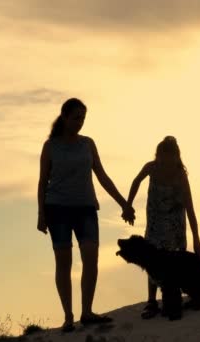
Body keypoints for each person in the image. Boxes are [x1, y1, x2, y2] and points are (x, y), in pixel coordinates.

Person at [37, 98, 135, 332]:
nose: (80, 122)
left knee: (91, 258)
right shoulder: (50, 146)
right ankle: (69, 316)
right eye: (76, 117)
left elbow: (101, 175)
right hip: (57, 209)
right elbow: (42, 182)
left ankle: (87, 311)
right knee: (64, 262)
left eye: (83, 118)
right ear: (64, 117)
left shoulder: (88, 144)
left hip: (85, 208)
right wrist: (41, 214)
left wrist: (124, 204)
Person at [126, 135, 200, 319]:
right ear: (158, 156)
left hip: (174, 223)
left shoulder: (180, 175)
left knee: (174, 261)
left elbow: (190, 209)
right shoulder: (151, 167)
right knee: (151, 258)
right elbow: (136, 181)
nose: (167, 161)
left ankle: (175, 300)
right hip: (155, 221)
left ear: (176, 157)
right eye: (163, 156)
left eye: (171, 157)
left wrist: (197, 240)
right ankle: (152, 301)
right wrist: (128, 205)